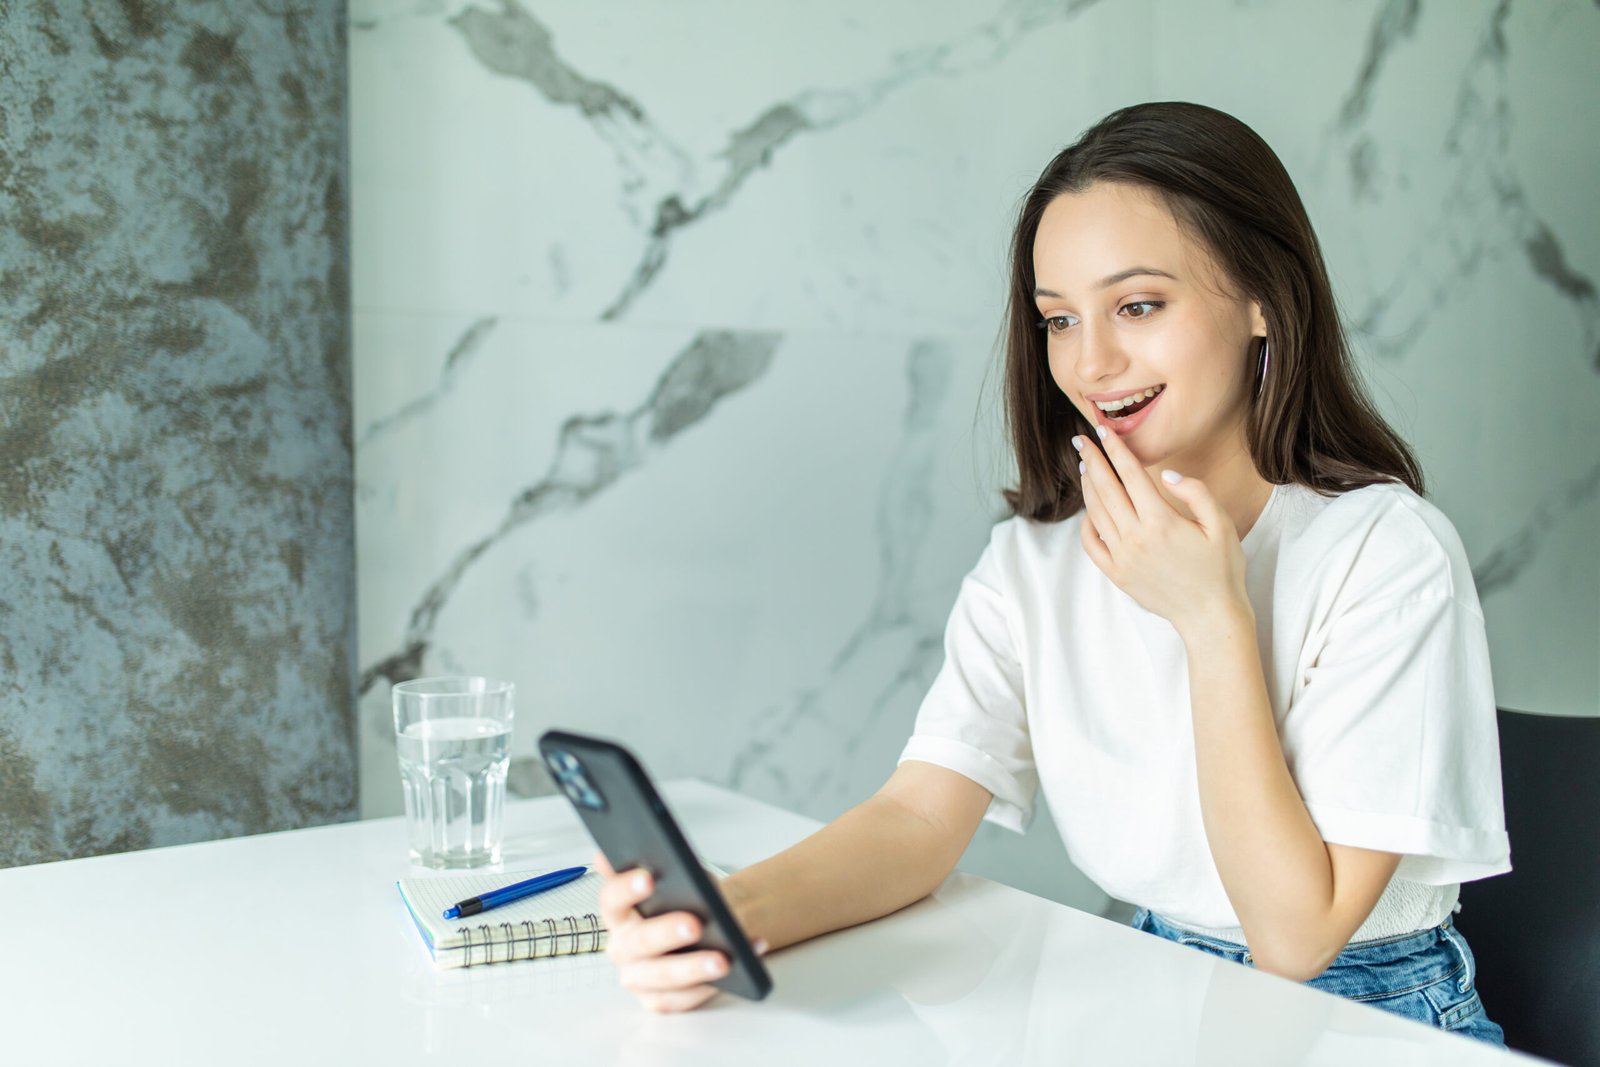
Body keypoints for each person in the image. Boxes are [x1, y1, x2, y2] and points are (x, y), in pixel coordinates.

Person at [595, 102, 1511, 1044]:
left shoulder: (1387, 552)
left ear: (1262, 300)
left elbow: (1294, 937)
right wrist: (725, 910)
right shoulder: (1032, 559)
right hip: (1154, 983)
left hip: (1376, 1016)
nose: (1091, 360)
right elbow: (918, 816)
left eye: (1139, 306)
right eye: (1058, 319)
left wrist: (1210, 618)